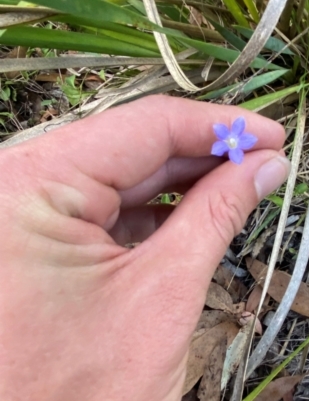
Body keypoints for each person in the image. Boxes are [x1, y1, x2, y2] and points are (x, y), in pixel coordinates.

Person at [0, 95, 290, 400]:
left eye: (235, 140)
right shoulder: (224, 144)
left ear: (238, 139)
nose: (232, 140)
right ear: (226, 140)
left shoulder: (236, 140)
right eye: (230, 139)